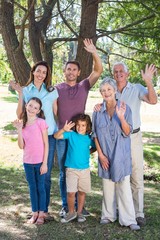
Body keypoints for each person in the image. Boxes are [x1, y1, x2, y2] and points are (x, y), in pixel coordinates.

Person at [94, 63, 157, 226]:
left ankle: (138, 213)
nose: (119, 73)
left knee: (135, 174)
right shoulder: (110, 90)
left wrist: (148, 81)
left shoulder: (136, 88)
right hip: (113, 140)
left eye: (122, 71)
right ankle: (112, 212)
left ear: (127, 73)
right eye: (115, 71)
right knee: (113, 174)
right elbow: (105, 108)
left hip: (132, 135)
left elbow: (152, 100)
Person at [55, 38, 103, 217]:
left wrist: (93, 52)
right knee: (64, 172)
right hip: (64, 136)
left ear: (79, 72)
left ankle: (79, 208)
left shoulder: (84, 86)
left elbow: (98, 70)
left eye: (74, 69)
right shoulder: (57, 88)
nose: (71, 72)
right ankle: (67, 207)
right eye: (68, 69)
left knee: (81, 169)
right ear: (64, 71)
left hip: (80, 136)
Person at [10, 61, 58, 220]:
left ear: (46, 75)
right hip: (33, 137)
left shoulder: (51, 91)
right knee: (34, 178)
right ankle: (36, 210)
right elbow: (20, 113)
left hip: (49, 135)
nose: (41, 74)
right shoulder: (26, 90)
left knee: (45, 173)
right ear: (33, 71)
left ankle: (43, 211)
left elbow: (56, 111)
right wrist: (20, 94)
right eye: (38, 71)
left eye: (44, 72)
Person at [92, 77, 140, 231]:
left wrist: (120, 117)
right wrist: (100, 155)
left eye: (109, 90)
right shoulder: (98, 111)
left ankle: (129, 219)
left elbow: (127, 132)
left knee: (124, 186)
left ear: (114, 91)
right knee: (107, 186)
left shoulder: (125, 108)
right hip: (105, 154)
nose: (106, 93)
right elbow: (95, 134)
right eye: (103, 90)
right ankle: (108, 216)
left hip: (121, 154)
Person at [54, 114, 96, 223]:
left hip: (84, 170)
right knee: (71, 192)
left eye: (83, 125)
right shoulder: (71, 135)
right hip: (71, 169)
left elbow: (95, 147)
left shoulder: (88, 138)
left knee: (82, 192)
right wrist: (63, 129)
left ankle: (80, 213)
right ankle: (71, 212)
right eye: (78, 125)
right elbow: (56, 136)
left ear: (87, 127)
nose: (80, 127)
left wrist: (88, 152)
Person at [13, 97, 48, 225]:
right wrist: (18, 130)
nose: (32, 109)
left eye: (35, 108)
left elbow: (46, 143)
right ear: (26, 105)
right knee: (32, 187)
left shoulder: (41, 123)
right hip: (27, 162)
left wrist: (45, 163)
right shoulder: (21, 124)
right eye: (31, 105)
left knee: (41, 187)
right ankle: (34, 213)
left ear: (38, 111)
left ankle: (41, 214)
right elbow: (21, 146)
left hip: (40, 162)